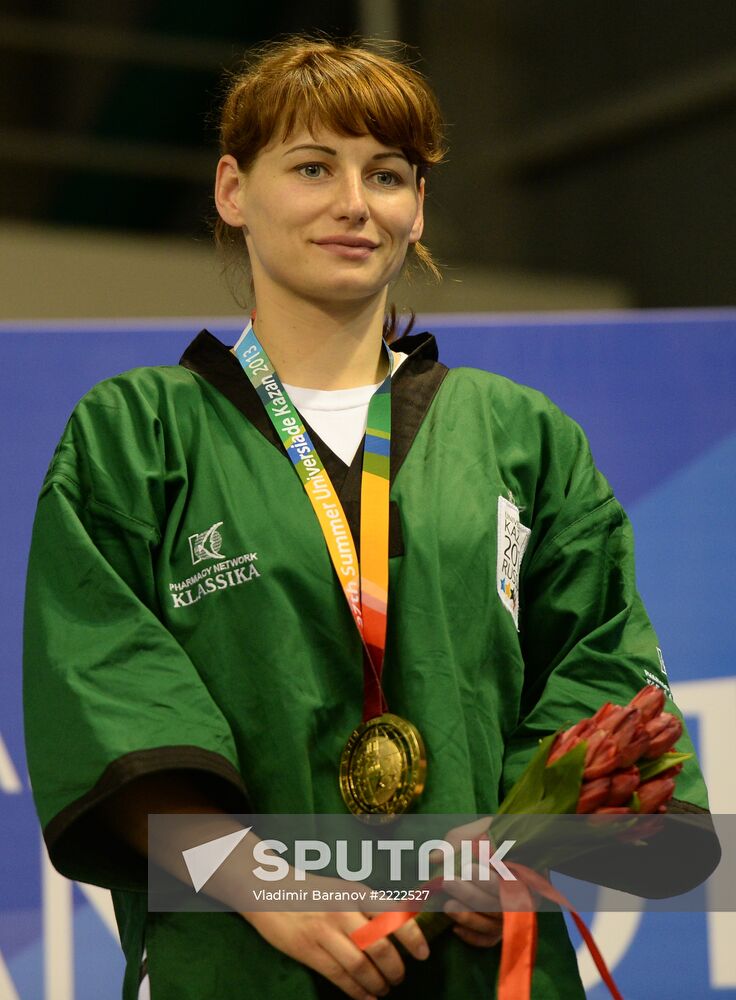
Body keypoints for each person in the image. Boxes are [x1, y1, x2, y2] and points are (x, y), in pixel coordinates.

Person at [23, 36, 713, 1000]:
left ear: (418, 206)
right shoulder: (136, 435)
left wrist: (524, 841)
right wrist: (267, 884)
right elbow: (102, 687)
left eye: (387, 174)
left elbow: (603, 673)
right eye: (312, 167)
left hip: (479, 963)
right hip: (241, 967)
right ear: (233, 190)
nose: (354, 203)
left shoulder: (521, 438)